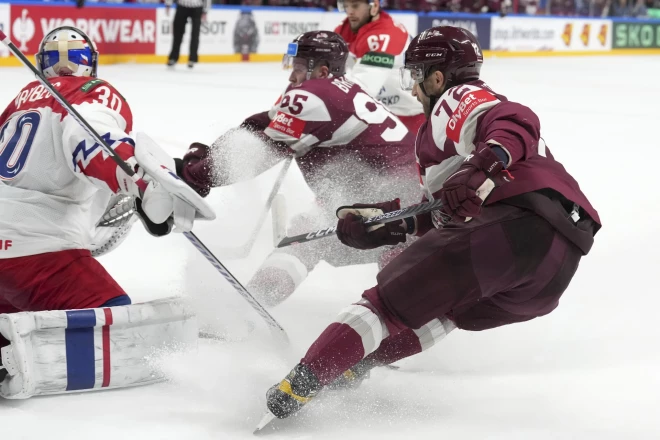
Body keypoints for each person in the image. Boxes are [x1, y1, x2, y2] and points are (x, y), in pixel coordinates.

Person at [261, 26, 601, 421]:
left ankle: (298, 386)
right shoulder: (453, 145)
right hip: (554, 268)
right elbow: (441, 213)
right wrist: (382, 224)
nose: (414, 90)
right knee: (447, 308)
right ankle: (359, 363)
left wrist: (484, 166)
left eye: (416, 76)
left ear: (437, 76)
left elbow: (516, 120)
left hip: (517, 225)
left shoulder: (456, 98)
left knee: (385, 303)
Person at [179, 31, 419, 306]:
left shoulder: (314, 97)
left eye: (298, 67)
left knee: (386, 252)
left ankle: (400, 318)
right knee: (307, 234)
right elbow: (259, 125)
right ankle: (254, 303)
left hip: (396, 199)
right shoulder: (334, 90)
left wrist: (193, 175)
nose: (291, 76)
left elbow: (256, 154)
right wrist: (210, 155)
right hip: (394, 192)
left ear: (322, 70)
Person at [0, 26, 201, 315]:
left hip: (12, 254)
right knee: (112, 324)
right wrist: (141, 182)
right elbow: (91, 140)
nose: (66, 65)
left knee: (12, 330)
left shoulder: (18, 102)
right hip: (38, 251)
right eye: (58, 57)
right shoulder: (91, 92)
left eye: (75, 55)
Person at [334, 0, 425, 134]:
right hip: (383, 113)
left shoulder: (385, 34)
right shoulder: (347, 27)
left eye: (355, 5)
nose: (349, 11)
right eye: (346, 6)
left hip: (411, 116)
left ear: (374, 6)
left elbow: (362, 90)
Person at [165, 0, 211, 68]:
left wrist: (205, 10)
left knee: (195, 34)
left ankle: (192, 58)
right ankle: (173, 57)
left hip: (197, 7)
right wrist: (168, 4)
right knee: (177, 33)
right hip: (182, 5)